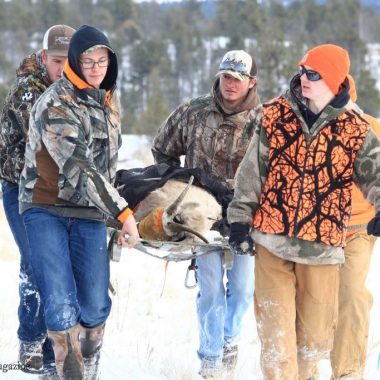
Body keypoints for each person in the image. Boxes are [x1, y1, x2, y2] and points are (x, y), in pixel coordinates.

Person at [227, 44, 380, 379]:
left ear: (335, 80)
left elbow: (376, 173)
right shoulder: (275, 115)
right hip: (272, 242)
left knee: (311, 345)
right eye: (303, 71)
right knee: (276, 343)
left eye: (314, 74)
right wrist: (239, 220)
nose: (304, 79)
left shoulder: (355, 130)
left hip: (322, 251)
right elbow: (252, 172)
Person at [18, 24, 140, 380]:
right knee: (60, 303)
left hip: (88, 211)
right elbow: (80, 168)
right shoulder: (56, 102)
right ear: (75, 60)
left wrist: (118, 216)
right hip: (45, 206)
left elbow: (107, 166)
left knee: (95, 303)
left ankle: (90, 366)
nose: (97, 67)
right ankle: (64, 371)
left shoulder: (107, 101)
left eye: (103, 60)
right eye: (89, 60)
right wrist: (122, 212)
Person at [151, 50, 261, 378]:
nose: (229, 84)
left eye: (238, 79)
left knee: (243, 288)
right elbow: (162, 150)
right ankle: (211, 358)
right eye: (226, 76)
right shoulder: (194, 111)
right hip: (201, 215)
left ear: (251, 83)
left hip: (245, 216)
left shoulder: (264, 119)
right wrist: (180, 188)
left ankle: (229, 339)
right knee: (210, 286)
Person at [0, 24, 75, 375]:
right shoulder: (28, 92)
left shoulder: (84, 90)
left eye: (68, 61)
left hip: (61, 191)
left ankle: (57, 345)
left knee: (61, 264)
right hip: (19, 186)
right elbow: (47, 142)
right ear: (44, 58)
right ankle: (32, 341)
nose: (62, 68)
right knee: (35, 261)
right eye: (56, 61)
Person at [330, 75, 380, 379]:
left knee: (350, 295)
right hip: (317, 229)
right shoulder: (312, 127)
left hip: (360, 226)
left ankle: (347, 372)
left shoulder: (371, 126)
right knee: (318, 301)